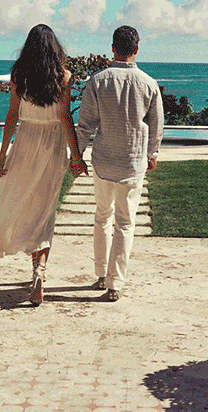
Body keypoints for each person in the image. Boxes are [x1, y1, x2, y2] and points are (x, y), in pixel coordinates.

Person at [0, 24, 88, 306]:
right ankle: (39, 269)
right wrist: (76, 157)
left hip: (25, 142)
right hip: (52, 145)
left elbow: (12, 116)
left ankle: (34, 264)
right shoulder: (64, 77)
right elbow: (65, 118)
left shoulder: (19, 75)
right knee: (45, 209)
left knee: (23, 204)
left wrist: (2, 156)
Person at [76, 25, 163, 302]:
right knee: (125, 223)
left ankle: (101, 273)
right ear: (136, 49)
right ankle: (115, 282)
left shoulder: (97, 81)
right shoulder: (149, 84)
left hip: (103, 160)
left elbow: (85, 124)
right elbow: (156, 124)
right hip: (132, 161)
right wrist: (152, 154)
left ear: (112, 48)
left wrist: (76, 155)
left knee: (102, 216)